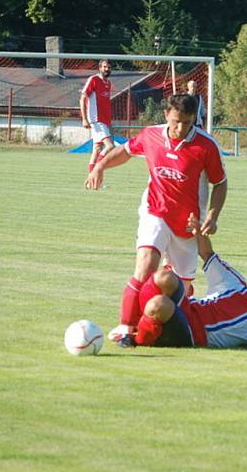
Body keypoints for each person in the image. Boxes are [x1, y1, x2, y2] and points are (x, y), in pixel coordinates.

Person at [84, 94, 227, 347]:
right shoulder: (151, 135)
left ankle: (156, 329)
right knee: (146, 264)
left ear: (194, 118)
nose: (180, 128)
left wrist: (212, 217)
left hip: (188, 225)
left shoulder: (206, 146)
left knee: (179, 287)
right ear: (166, 116)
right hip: (155, 211)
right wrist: (99, 167)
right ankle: (126, 329)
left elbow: (220, 183)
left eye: (186, 122)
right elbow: (125, 151)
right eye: (175, 121)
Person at [132, 213, 247, 350]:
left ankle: (136, 340)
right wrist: (199, 232)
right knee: (165, 277)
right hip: (188, 308)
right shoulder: (236, 282)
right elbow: (207, 253)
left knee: (159, 304)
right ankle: (136, 322)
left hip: (194, 333)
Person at [81, 59, 114, 172]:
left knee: (97, 149)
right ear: (99, 68)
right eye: (104, 67)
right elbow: (82, 98)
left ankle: (92, 179)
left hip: (104, 120)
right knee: (110, 146)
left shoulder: (108, 83)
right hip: (96, 120)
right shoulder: (93, 79)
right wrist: (84, 119)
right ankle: (97, 170)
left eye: (108, 67)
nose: (106, 69)